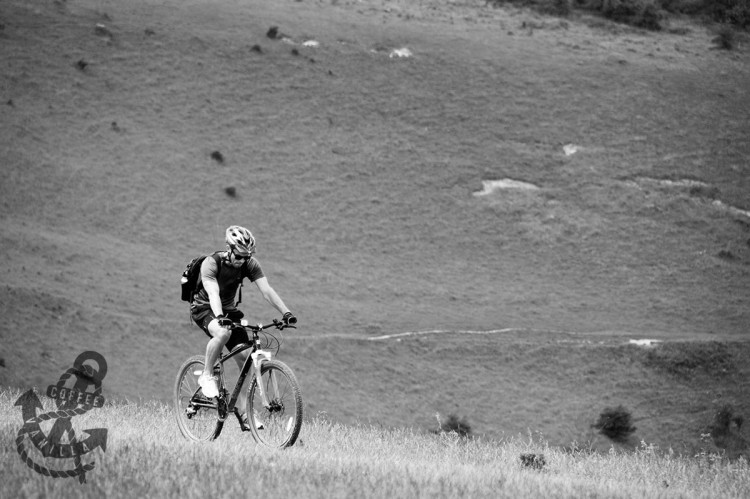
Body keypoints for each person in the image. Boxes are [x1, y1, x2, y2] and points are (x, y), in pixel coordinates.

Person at [190, 225, 296, 419]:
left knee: (247, 358)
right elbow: (213, 293)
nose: (241, 261)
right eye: (238, 256)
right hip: (204, 308)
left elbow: (267, 291)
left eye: (246, 257)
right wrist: (220, 317)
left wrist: (286, 312)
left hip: (229, 311)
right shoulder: (211, 263)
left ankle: (244, 411)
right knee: (222, 333)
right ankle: (206, 374)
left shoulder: (250, 264)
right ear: (229, 249)